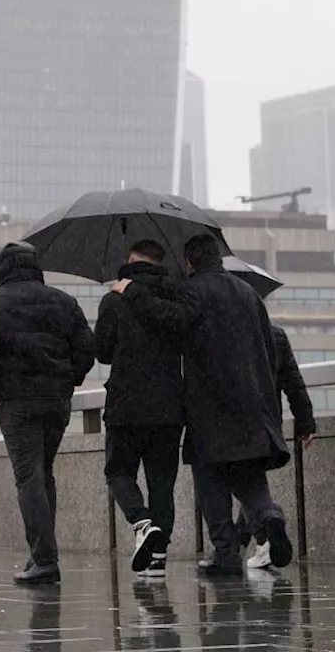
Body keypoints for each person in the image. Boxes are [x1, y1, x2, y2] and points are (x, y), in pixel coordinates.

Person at [111, 234, 294, 576]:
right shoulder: (248, 294)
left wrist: (132, 290)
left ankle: (225, 554)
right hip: (254, 402)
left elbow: (173, 319)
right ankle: (269, 517)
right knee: (249, 477)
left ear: (190, 262)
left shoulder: (193, 290)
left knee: (210, 480)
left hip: (211, 402)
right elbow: (269, 349)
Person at [0, 241, 96, 585]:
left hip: (17, 401)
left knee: (29, 476)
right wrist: (68, 380)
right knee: (43, 473)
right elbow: (86, 347)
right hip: (56, 400)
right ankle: (42, 553)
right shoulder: (63, 302)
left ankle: (45, 558)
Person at [94, 239, 184, 577]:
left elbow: (101, 351)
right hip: (168, 407)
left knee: (118, 472)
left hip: (125, 404)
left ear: (130, 260)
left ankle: (141, 522)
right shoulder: (175, 298)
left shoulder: (113, 299)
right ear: (160, 263)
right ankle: (158, 560)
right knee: (162, 483)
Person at [241, 324, 316, 569]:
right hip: (268, 423)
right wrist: (305, 423)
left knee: (245, 482)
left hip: (231, 420)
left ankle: (262, 537)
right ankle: (254, 538)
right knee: (252, 478)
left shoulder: (222, 329)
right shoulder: (275, 334)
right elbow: (293, 382)